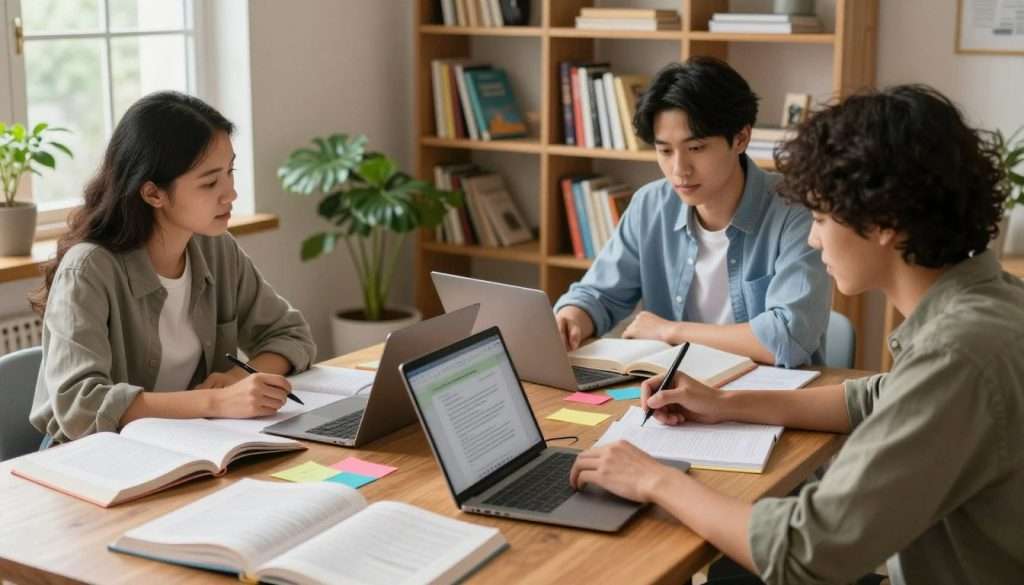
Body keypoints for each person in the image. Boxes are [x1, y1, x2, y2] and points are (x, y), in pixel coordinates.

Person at [568, 85, 1024, 584]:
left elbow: (807, 552)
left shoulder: (957, 353)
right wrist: (727, 404)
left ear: (885, 223)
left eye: (822, 217)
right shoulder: (993, 303)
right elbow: (877, 396)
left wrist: (653, 478)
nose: (811, 236)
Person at [29, 91, 316, 444]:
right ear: (153, 194)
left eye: (230, 172)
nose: (230, 194)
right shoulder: (89, 270)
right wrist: (215, 401)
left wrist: (241, 379)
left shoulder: (216, 248)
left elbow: (290, 335)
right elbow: (80, 407)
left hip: (187, 443)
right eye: (210, 182)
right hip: (93, 458)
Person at [553, 57, 831, 367]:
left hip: (769, 398)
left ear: (741, 138)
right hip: (672, 397)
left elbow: (787, 338)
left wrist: (671, 331)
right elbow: (601, 295)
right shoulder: (649, 205)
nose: (679, 170)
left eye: (696, 148)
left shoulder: (796, 211)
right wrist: (573, 316)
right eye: (665, 151)